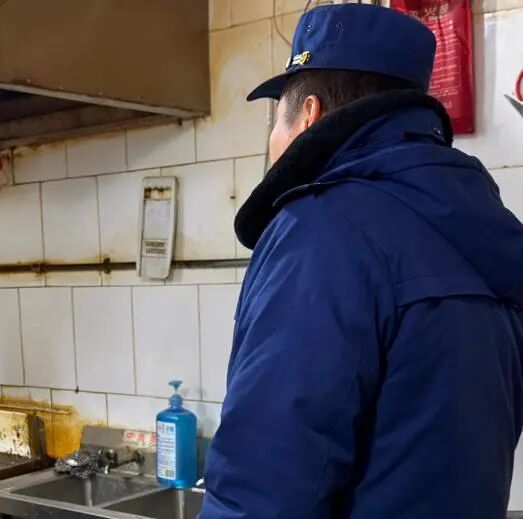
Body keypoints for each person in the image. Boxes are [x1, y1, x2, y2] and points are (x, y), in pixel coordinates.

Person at [199, 3, 523, 518]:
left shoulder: (321, 230)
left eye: (276, 118)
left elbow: (264, 486)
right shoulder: (483, 230)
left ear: (309, 114)